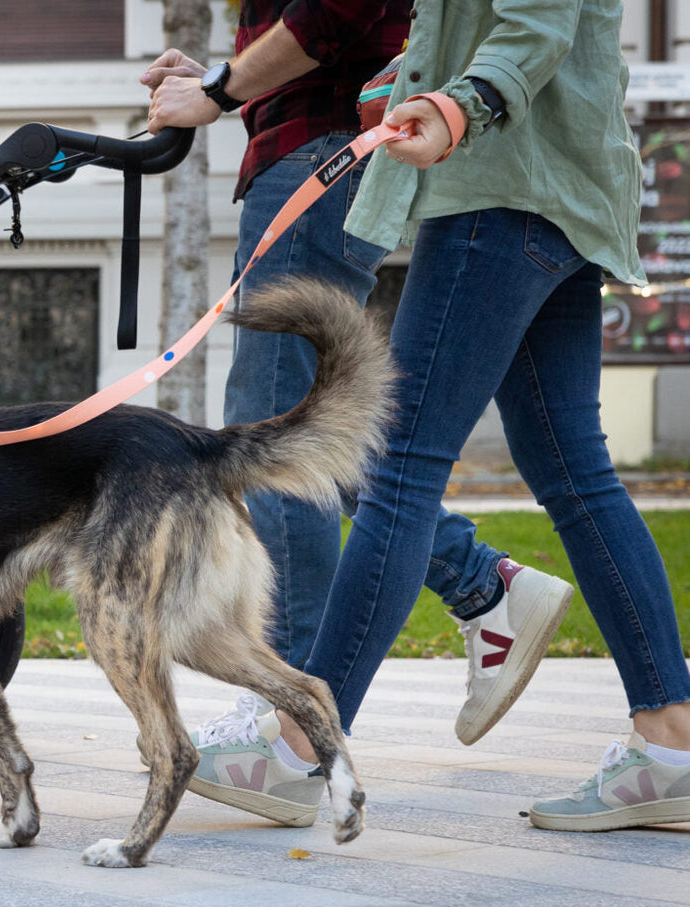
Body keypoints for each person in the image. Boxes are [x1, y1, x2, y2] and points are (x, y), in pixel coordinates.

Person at [181, 0, 690, 832]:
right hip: (559, 188)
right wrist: (412, 84)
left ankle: (299, 750)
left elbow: (537, 23)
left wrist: (462, 104)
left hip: (497, 192)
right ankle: (671, 742)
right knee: (575, 475)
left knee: (398, 471)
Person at [140, 0, 572, 792]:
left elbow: (331, 11)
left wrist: (222, 89)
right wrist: (218, 79)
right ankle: (484, 584)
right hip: (318, 149)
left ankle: (295, 724)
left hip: (325, 152)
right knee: (295, 429)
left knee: (274, 434)